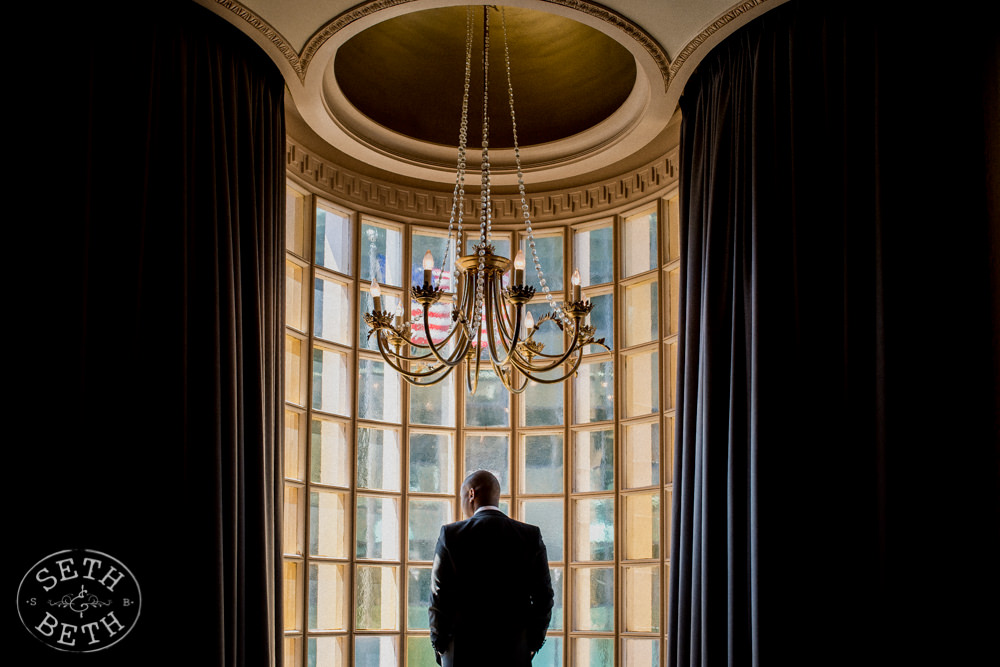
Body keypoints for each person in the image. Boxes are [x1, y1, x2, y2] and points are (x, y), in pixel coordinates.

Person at [428, 470, 554, 666]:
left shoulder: (451, 535)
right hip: (513, 653)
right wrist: (531, 644)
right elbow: (544, 598)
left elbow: (438, 598)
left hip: (462, 653)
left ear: (471, 494)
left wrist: (441, 647)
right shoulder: (530, 536)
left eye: (462, 496)